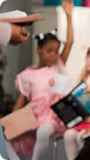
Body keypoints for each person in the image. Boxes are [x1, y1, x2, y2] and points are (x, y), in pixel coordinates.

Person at [4, 2, 73, 160]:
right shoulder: (27, 75)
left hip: (51, 117)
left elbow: (69, 43)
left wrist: (69, 16)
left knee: (43, 131)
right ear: (39, 50)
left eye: (56, 52)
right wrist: (11, 121)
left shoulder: (56, 67)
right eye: (49, 51)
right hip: (32, 115)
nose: (53, 55)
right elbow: (20, 102)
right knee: (4, 133)